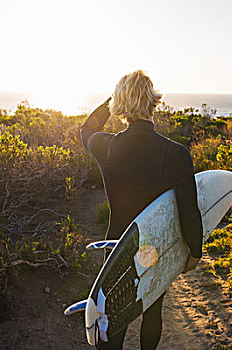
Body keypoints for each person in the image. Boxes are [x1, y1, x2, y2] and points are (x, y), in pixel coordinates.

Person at [81, 70, 203, 349]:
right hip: (154, 247)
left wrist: (112, 100)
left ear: (120, 105)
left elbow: (86, 129)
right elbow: (189, 209)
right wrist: (194, 250)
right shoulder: (176, 153)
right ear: (153, 103)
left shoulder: (107, 146)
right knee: (153, 309)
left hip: (116, 247)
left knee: (112, 316)